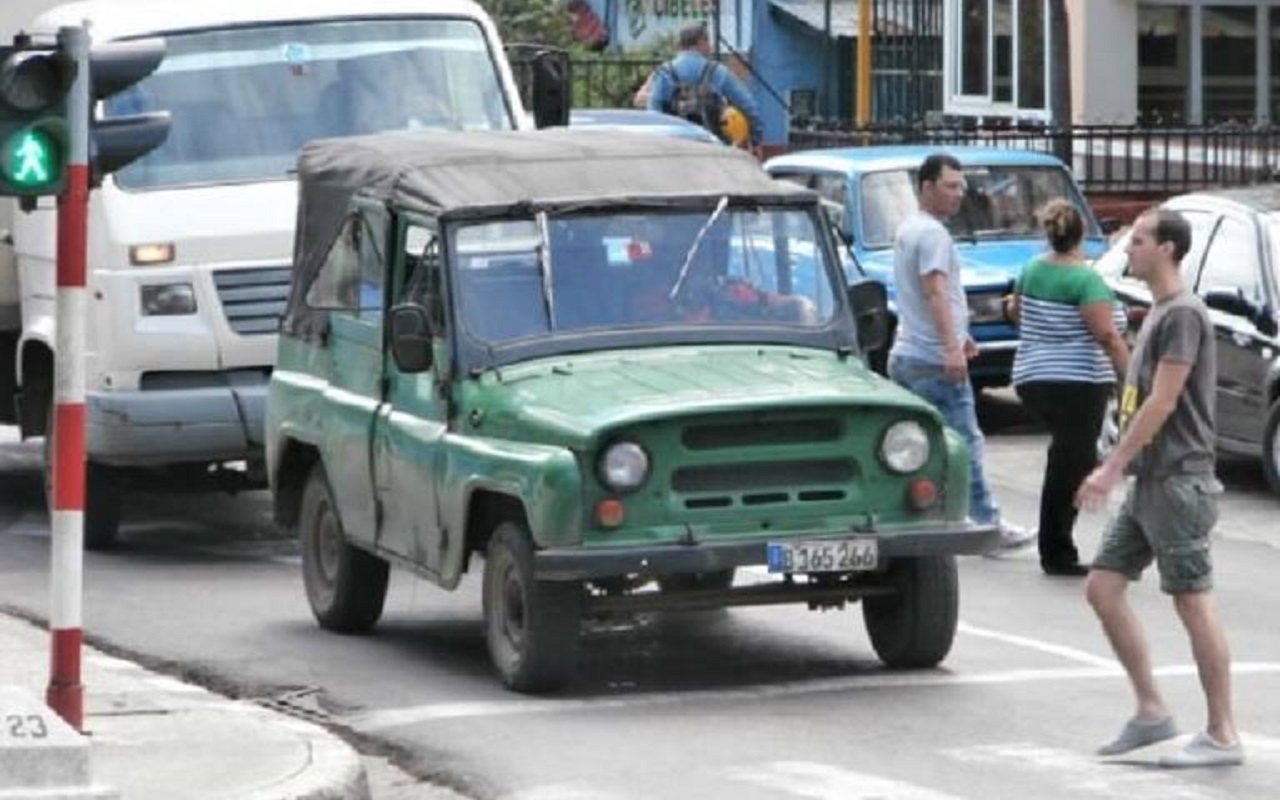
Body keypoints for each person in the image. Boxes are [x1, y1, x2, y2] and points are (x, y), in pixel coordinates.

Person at [1076, 209, 1243, 768]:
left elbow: (1164, 401)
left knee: (1193, 601)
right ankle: (1151, 711)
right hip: (1152, 480)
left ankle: (1222, 734)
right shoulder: (1159, 313)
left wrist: (1111, 465)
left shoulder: (1184, 316)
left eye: (1140, 240)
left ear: (1168, 249)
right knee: (1103, 586)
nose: (1129, 250)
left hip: (1178, 480)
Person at [887, 153, 1034, 551]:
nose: (959, 194)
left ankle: (933, 515)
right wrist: (952, 347)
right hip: (933, 359)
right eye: (951, 186)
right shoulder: (933, 234)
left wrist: (961, 334)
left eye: (962, 186)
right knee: (965, 440)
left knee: (923, 445)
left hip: (908, 352)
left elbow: (923, 296)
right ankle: (985, 523)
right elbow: (934, 290)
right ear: (927, 187)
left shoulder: (908, 229)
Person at [1009, 199, 1129, 576]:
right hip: (1078, 382)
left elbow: (1015, 311)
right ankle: (1057, 551)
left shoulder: (1031, 269)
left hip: (1032, 377)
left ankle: (1058, 545)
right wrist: (1131, 381)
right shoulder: (1086, 280)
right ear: (1082, 236)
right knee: (1071, 464)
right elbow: (1107, 335)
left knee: (1068, 458)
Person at [646, 22, 764, 155]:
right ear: (701, 43)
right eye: (709, 43)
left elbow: (653, 114)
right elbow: (748, 106)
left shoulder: (665, 73)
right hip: (712, 150)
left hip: (675, 150)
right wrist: (756, 140)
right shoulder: (717, 72)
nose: (711, 47)